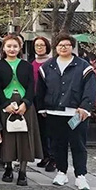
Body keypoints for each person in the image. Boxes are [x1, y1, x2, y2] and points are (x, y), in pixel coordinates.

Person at [38, 34, 96, 190]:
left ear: (72, 47)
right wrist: (42, 107)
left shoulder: (83, 66)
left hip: (76, 113)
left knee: (78, 144)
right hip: (54, 112)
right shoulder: (47, 67)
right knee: (58, 144)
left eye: (67, 45)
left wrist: (85, 107)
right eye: (60, 45)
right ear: (55, 47)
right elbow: (41, 89)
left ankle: (80, 175)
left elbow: (90, 89)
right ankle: (61, 172)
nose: (63, 48)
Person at [0, 34, 42, 186]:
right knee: (8, 137)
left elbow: (31, 86)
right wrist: (5, 104)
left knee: (25, 136)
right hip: (6, 104)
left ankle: (23, 171)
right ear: (3, 48)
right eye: (9, 46)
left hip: (24, 104)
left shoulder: (27, 65)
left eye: (15, 46)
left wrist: (26, 103)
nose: (12, 49)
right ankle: (8, 167)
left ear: (20, 48)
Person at [31, 36, 56, 172]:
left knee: (50, 130)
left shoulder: (52, 63)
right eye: (37, 45)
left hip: (49, 100)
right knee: (40, 130)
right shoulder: (32, 63)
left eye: (42, 45)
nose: (39, 48)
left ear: (47, 47)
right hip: (36, 99)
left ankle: (53, 158)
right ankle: (45, 155)